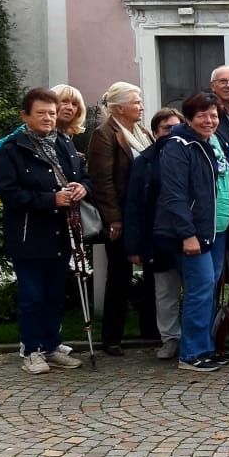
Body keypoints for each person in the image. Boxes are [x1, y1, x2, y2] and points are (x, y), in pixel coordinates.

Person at [0, 88, 89, 374]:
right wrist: (50, 199)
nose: (48, 118)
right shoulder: (13, 150)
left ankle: (51, 344)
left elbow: (81, 175)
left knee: (54, 294)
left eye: (51, 112)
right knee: (32, 295)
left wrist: (83, 187)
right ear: (25, 116)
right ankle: (31, 349)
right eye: (41, 113)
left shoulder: (64, 142)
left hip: (62, 232)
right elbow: (10, 193)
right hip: (28, 234)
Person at [154, 93, 229, 372]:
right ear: (189, 118)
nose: (209, 120)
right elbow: (174, 195)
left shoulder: (217, 142)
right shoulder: (179, 145)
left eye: (213, 115)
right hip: (194, 232)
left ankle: (207, 347)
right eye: (202, 115)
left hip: (218, 230)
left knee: (209, 290)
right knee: (199, 290)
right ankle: (191, 354)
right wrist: (187, 234)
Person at [86, 82, 156, 356]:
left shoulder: (142, 132)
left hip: (145, 215)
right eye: (136, 102)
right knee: (119, 276)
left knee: (153, 273)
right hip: (123, 216)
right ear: (118, 107)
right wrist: (114, 219)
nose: (141, 106)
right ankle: (111, 337)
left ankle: (150, 328)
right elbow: (102, 181)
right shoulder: (105, 135)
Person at [123, 108, 185, 360]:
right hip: (158, 237)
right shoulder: (145, 161)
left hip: (189, 234)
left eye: (176, 127)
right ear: (155, 132)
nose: (171, 133)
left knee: (196, 291)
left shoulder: (192, 153)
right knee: (165, 292)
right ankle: (170, 339)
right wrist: (133, 245)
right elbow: (134, 204)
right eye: (166, 128)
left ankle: (195, 338)